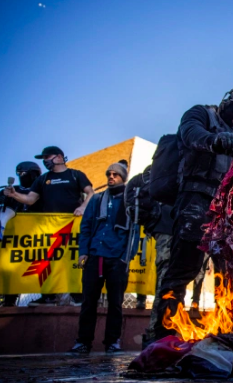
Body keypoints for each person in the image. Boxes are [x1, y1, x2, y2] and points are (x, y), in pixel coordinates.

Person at [152, 82, 233, 342]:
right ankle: (163, 337)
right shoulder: (201, 114)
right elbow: (190, 134)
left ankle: (231, 335)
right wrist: (213, 140)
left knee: (232, 276)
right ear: (232, 96)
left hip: (226, 212)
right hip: (195, 202)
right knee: (183, 270)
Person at [3, 146, 94, 306]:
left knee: (73, 259)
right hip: (49, 228)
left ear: (59, 157)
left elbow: (91, 192)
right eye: (43, 158)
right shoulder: (43, 179)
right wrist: (14, 195)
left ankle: (78, 297)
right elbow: (31, 199)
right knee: (48, 261)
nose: (45, 161)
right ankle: (48, 297)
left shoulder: (75, 175)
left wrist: (83, 207)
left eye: (48, 157)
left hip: (72, 226)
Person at [70, 162, 138, 354]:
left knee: (115, 303)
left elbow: (135, 232)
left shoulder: (130, 201)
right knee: (89, 301)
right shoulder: (97, 199)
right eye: (109, 173)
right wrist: (84, 251)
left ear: (123, 177)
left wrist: (128, 257)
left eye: (115, 174)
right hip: (95, 256)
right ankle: (83, 341)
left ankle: (112, 342)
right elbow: (86, 226)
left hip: (118, 258)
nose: (111, 177)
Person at [124, 165, 175, 347]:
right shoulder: (163, 174)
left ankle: (162, 331)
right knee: (166, 281)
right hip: (167, 230)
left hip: (167, 230)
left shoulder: (162, 174)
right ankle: (157, 333)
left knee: (169, 281)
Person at [0, 161, 44, 307]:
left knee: (41, 268)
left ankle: (47, 297)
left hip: (37, 238)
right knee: (11, 269)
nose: (21, 176)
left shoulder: (43, 189)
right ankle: (8, 302)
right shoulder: (12, 189)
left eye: (24, 173)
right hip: (13, 240)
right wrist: (5, 196)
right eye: (19, 173)